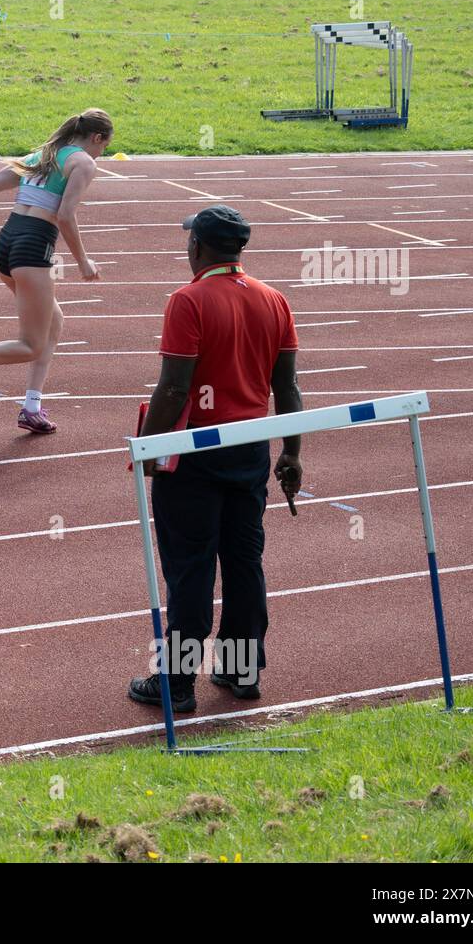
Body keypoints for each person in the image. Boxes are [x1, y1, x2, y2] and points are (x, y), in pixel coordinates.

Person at [127, 206, 303, 715]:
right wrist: (291, 451)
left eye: (189, 242)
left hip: (194, 450)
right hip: (251, 448)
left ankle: (176, 685)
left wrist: (150, 448)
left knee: (190, 568)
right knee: (244, 562)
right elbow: (286, 385)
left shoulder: (189, 300)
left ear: (199, 248)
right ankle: (241, 671)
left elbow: (174, 385)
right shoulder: (274, 299)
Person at [0, 109, 113, 434]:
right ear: (96, 138)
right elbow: (66, 215)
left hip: (9, 241)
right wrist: (84, 261)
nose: (101, 154)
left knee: (54, 321)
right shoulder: (83, 162)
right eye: (104, 146)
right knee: (31, 345)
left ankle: (31, 406)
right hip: (32, 246)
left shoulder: (43, 153)